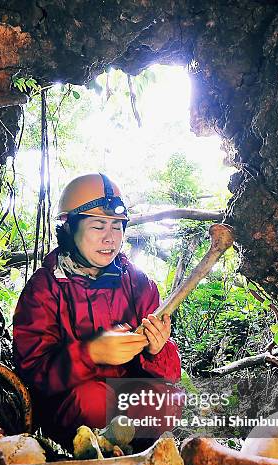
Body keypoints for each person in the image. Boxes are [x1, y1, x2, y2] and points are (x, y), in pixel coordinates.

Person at [13, 173, 181, 448]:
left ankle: (136, 457)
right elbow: (32, 371)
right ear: (69, 228)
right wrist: (91, 353)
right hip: (72, 412)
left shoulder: (138, 283)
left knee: (168, 398)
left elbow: (169, 374)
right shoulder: (44, 289)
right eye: (98, 226)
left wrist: (157, 350)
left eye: (117, 226)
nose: (110, 239)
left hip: (128, 408)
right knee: (91, 400)